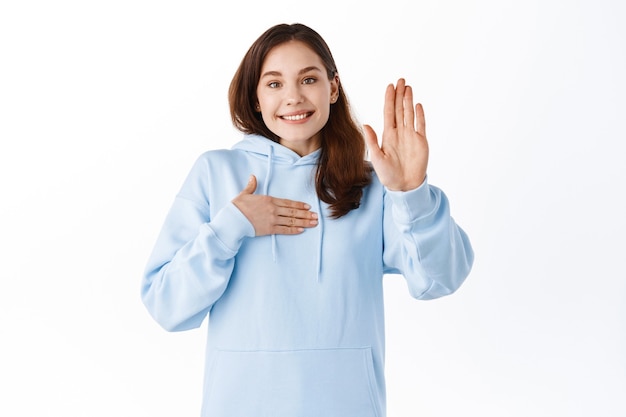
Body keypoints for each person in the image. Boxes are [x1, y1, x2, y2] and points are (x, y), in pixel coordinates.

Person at [141, 22, 474, 417]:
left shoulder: (372, 184)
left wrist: (411, 192)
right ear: (256, 97)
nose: (293, 98)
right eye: (274, 84)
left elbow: (440, 279)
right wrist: (229, 227)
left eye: (309, 79)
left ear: (333, 87)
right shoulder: (216, 172)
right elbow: (166, 305)